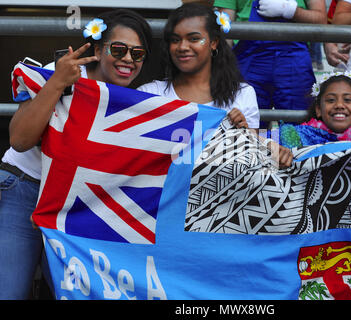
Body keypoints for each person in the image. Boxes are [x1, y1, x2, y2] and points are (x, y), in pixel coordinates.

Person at [0, 9, 153, 299]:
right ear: (97, 49)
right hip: (25, 189)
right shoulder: (62, 72)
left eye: (138, 53)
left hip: (74, 206)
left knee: (80, 294)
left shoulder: (131, 102)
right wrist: (57, 82)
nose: (128, 60)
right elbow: (19, 140)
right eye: (118, 49)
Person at [138, 3, 260, 129]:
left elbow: (254, 145)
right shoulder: (149, 94)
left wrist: (244, 131)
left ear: (213, 43)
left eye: (194, 39)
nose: (182, 47)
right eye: (175, 40)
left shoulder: (242, 94)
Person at [213, 0, 327, 128]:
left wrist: (291, 11)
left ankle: (290, 148)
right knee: (247, 124)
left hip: (293, 60)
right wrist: (220, 66)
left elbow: (321, 20)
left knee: (297, 128)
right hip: (249, 60)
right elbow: (225, 23)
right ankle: (263, 147)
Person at [276, 71, 351, 150]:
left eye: (347, 100)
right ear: (318, 109)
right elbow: (259, 144)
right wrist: (275, 152)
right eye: (331, 100)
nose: (339, 105)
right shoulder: (290, 134)